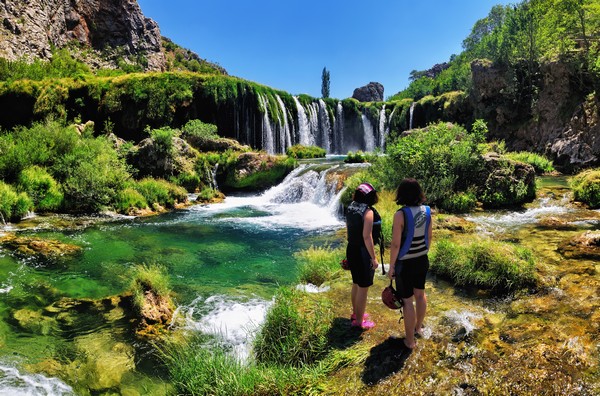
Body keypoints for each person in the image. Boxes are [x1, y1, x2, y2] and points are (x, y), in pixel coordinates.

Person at [388, 178, 432, 349]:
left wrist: (392, 266)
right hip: (422, 259)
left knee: (407, 301)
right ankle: (418, 328)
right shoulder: (427, 211)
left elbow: (396, 244)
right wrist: (421, 253)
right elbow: (429, 237)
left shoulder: (400, 214)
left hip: (405, 263)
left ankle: (410, 342)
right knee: (420, 295)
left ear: (402, 194)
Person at [346, 182, 380, 329]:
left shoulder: (351, 206)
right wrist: (373, 257)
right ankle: (360, 321)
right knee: (363, 287)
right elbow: (367, 237)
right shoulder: (368, 212)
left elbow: (349, 230)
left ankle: (356, 314)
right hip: (362, 252)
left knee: (356, 283)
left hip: (351, 248)